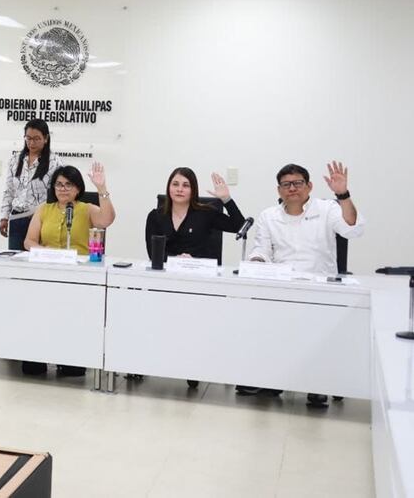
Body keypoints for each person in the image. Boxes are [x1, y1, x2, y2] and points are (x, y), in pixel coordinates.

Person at [243, 161, 365, 406]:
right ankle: (275, 378)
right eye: (286, 184)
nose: (292, 188)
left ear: (309, 186)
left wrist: (343, 195)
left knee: (317, 334)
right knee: (269, 326)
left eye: (298, 183)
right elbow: (262, 249)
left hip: (320, 286)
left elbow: (353, 229)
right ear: (279, 190)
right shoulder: (268, 216)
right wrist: (256, 260)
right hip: (283, 286)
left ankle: (317, 385)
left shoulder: (328, 209)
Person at [21, 162, 115, 376]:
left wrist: (101, 188)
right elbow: (28, 241)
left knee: (70, 320)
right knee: (40, 316)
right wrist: (45, 251)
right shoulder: (44, 209)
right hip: (47, 273)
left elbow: (107, 220)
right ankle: (37, 357)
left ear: (78, 188)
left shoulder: (86, 209)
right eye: (59, 184)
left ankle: (70, 359)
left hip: (78, 276)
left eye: (68, 185)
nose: (63, 189)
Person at [144, 168, 246, 261]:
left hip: (198, 272)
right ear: (168, 188)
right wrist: (176, 260)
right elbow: (153, 254)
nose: (179, 189)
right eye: (175, 184)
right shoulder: (155, 216)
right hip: (166, 272)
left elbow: (240, 227)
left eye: (186, 185)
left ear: (193, 190)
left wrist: (226, 199)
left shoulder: (206, 213)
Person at [0, 119, 61, 250]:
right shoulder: (15, 160)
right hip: (16, 218)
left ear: (46, 138)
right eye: (28, 138)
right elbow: (9, 191)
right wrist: (4, 217)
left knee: (37, 258)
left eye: (37, 139)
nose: (32, 143)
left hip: (40, 220)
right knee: (15, 259)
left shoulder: (55, 162)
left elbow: (57, 195)